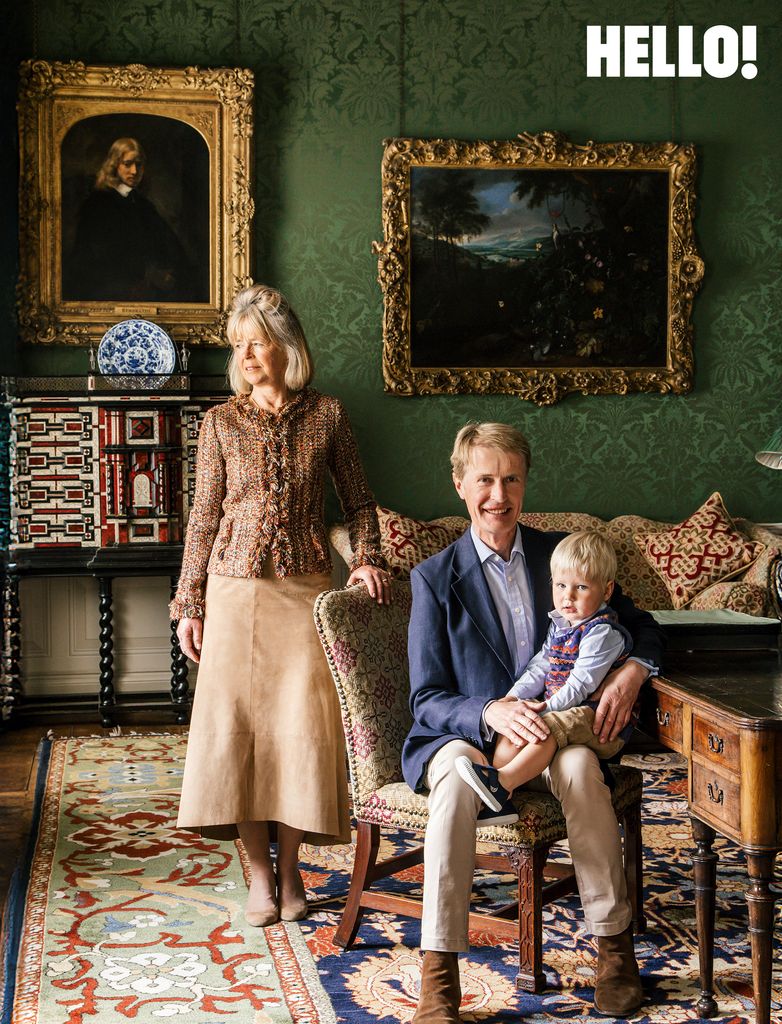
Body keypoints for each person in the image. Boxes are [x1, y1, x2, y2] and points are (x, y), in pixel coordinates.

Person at [402, 422, 664, 1022]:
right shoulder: (435, 578)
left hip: (558, 732)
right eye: (486, 479)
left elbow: (641, 624)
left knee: (578, 768)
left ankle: (613, 949)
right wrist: (489, 709)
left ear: (525, 484)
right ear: (460, 485)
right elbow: (426, 696)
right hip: (465, 737)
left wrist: (633, 669)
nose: (499, 494)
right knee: (454, 787)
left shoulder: (562, 554)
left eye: (511, 478)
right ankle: (439, 976)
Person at [171, 284, 390, 928]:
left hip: (306, 594)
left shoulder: (327, 415)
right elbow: (203, 518)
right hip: (232, 592)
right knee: (238, 735)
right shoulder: (219, 423)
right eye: (237, 345)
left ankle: (291, 869)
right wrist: (189, 601)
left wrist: (369, 559)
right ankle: (259, 878)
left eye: (255, 341)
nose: (245, 355)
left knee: (299, 736)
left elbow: (359, 501)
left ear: (286, 346)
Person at [455, 530, 634, 817]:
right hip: (567, 711)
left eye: (582, 588)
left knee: (543, 728)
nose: (567, 597)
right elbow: (541, 666)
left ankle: (503, 782)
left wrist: (545, 710)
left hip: (599, 720)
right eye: (561, 585)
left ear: (607, 590)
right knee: (517, 721)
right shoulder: (562, 624)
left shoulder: (602, 632)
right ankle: (497, 795)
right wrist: (512, 698)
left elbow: (580, 685)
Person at [65, 137, 198, 302]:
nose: (134, 171)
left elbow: (168, 243)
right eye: (127, 164)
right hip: (108, 291)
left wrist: (169, 271)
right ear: (114, 165)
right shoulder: (97, 203)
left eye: (139, 164)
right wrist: (148, 273)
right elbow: (99, 257)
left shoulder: (142, 204)